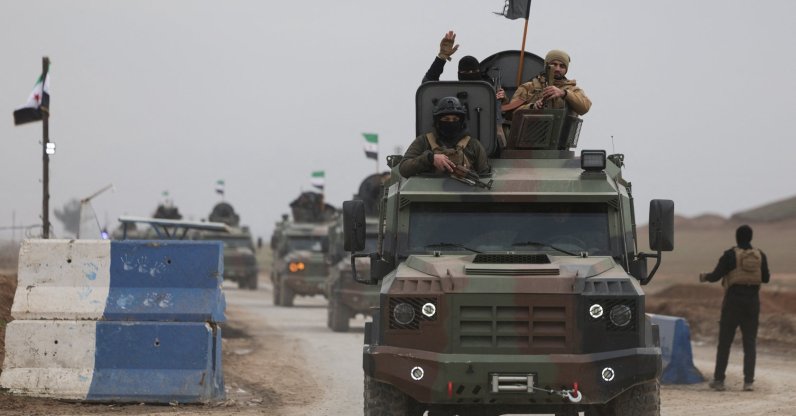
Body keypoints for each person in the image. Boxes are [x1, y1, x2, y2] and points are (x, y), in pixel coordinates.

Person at [699, 224, 771, 392]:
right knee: (750, 343)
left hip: (733, 302)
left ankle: (719, 380)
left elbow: (716, 276)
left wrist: (704, 276)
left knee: (725, 342)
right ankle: (748, 382)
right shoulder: (760, 255)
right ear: (751, 237)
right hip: (752, 303)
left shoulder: (730, 255)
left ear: (737, 238)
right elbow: (766, 278)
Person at [399, 96, 490, 178]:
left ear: (461, 122)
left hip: (466, 190)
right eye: (446, 119)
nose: (451, 122)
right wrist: (430, 159)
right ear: (438, 122)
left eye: (455, 119)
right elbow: (404, 168)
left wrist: (468, 174)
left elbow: (485, 176)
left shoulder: (473, 145)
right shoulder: (424, 141)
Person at [422, 31, 507, 102]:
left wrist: (503, 100)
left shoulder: (490, 93)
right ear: (459, 73)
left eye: (473, 71)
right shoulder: (452, 98)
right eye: (465, 72)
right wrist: (441, 58)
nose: (470, 74)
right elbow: (427, 85)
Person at [508, 49, 591, 116]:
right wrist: (532, 107)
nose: (557, 69)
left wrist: (564, 93)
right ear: (547, 66)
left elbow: (585, 107)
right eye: (554, 64)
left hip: (561, 131)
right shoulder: (528, 87)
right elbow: (511, 112)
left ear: (566, 69)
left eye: (562, 66)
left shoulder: (572, 89)